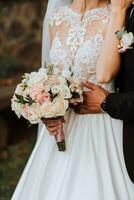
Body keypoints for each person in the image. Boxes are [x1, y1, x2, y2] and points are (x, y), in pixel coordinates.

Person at [11, 0, 134, 200]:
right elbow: (54, 77)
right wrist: (47, 109)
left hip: (102, 122)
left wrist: (116, 14)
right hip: (66, 126)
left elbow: (104, 75)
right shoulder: (57, 17)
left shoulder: (117, 13)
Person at [74, 2, 134, 184]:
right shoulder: (126, 10)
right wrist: (48, 104)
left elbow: (103, 74)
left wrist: (109, 101)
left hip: (110, 128)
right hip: (73, 128)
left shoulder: (117, 12)